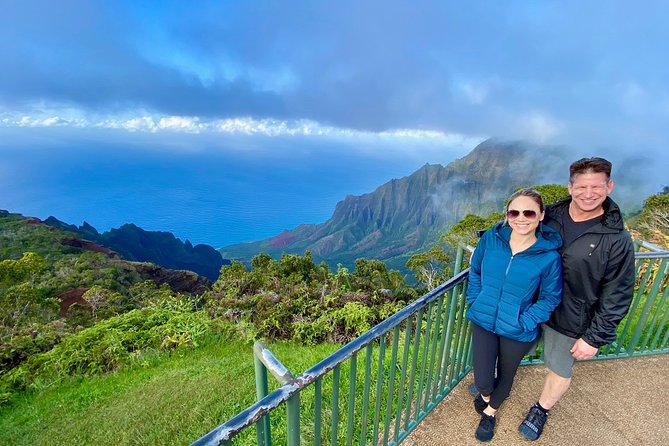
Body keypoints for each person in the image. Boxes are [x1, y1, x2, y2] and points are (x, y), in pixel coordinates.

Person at [518, 157, 635, 441]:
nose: (588, 193)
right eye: (582, 186)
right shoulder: (550, 216)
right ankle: (491, 382)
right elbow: (516, 232)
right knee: (509, 346)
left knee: (559, 367)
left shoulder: (616, 239)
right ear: (570, 186)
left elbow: (618, 292)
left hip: (572, 318)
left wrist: (595, 337)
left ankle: (541, 409)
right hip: (532, 305)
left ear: (609, 186)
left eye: (596, 186)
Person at [467, 188, 563, 442]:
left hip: (518, 330)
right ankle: (487, 396)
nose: (521, 218)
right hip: (484, 319)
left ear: (541, 215)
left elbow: (550, 297)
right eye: (514, 212)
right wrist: (475, 301)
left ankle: (489, 414)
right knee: (484, 380)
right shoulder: (491, 238)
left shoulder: (548, 256)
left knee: (506, 375)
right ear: (507, 215)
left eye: (529, 212)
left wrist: (525, 321)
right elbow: (475, 271)